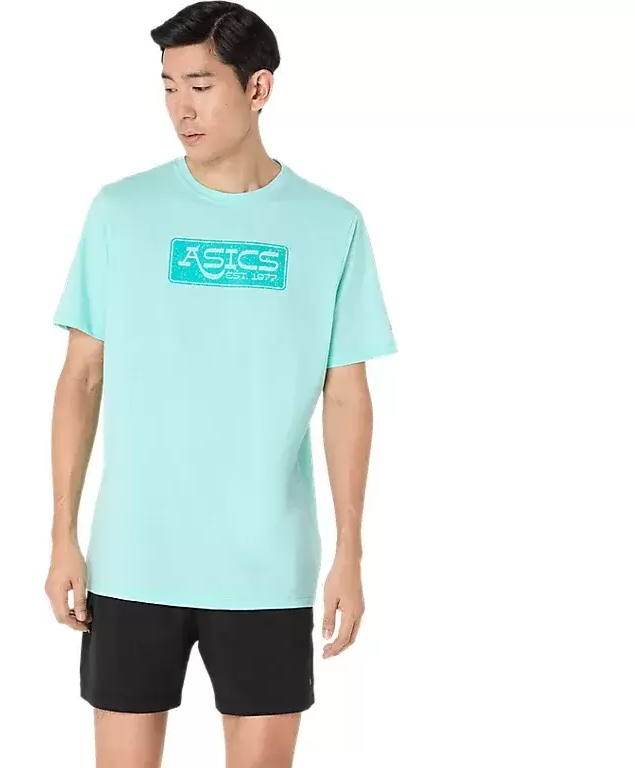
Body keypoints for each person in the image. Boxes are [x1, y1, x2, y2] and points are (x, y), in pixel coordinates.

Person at [44, 2, 398, 766]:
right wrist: (62, 534)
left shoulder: (331, 225)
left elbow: (346, 396)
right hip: (134, 557)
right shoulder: (121, 212)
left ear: (258, 87)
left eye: (201, 86)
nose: (182, 109)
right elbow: (81, 377)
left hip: (266, 564)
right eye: (169, 87)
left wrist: (351, 551)